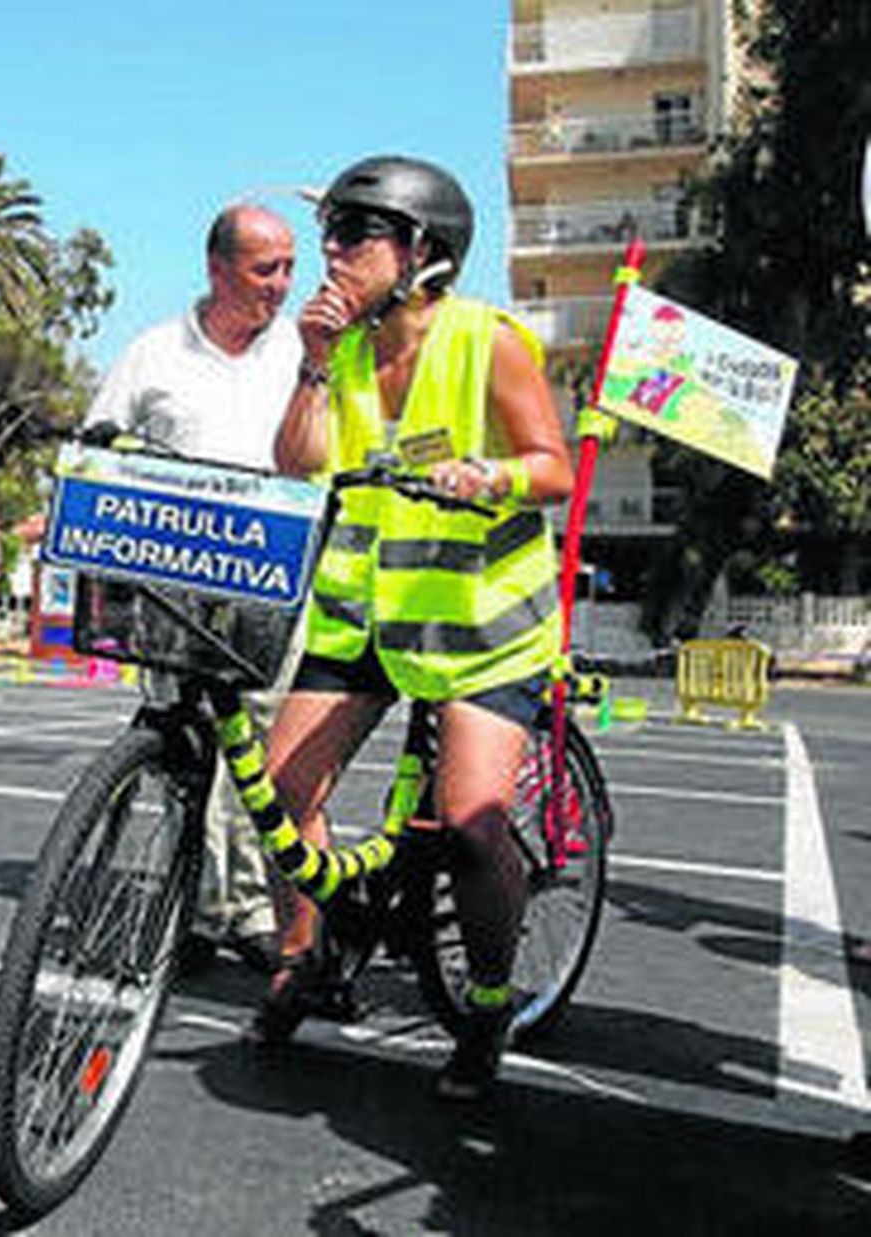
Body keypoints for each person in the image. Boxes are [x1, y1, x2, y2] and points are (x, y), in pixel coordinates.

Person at [253, 156, 575, 1102]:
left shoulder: (488, 340)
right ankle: (303, 958)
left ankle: (485, 1005)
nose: (334, 253)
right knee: (279, 788)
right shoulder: (344, 352)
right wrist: (311, 361)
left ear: (422, 251)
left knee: (474, 827)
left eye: (356, 235)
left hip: (481, 626)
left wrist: (493, 477)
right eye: (333, 234)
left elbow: (550, 463)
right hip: (367, 612)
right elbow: (297, 460)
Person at [84, 204, 301, 974]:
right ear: (217, 268)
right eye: (264, 268)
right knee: (189, 751)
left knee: (270, 754)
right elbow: (97, 445)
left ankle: (250, 907)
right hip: (174, 593)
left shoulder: (306, 352)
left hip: (275, 586)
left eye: (289, 267)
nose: (281, 285)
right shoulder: (150, 353)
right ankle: (199, 908)